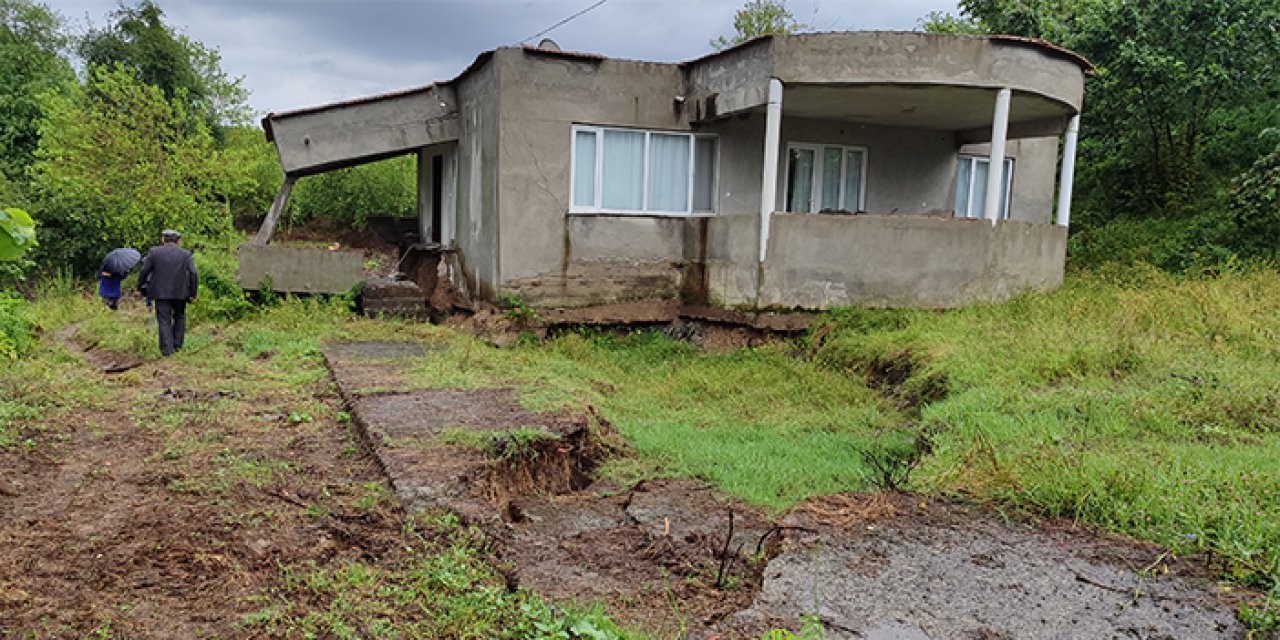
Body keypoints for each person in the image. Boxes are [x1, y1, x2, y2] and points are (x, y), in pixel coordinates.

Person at [137, 229, 198, 356]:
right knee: (179, 317)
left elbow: (144, 270)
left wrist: (140, 287)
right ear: (178, 241)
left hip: (160, 292)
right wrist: (192, 293)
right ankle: (177, 346)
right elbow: (193, 273)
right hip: (181, 292)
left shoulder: (154, 252)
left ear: (163, 239)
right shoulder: (186, 254)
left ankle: (167, 350)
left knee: (164, 319)